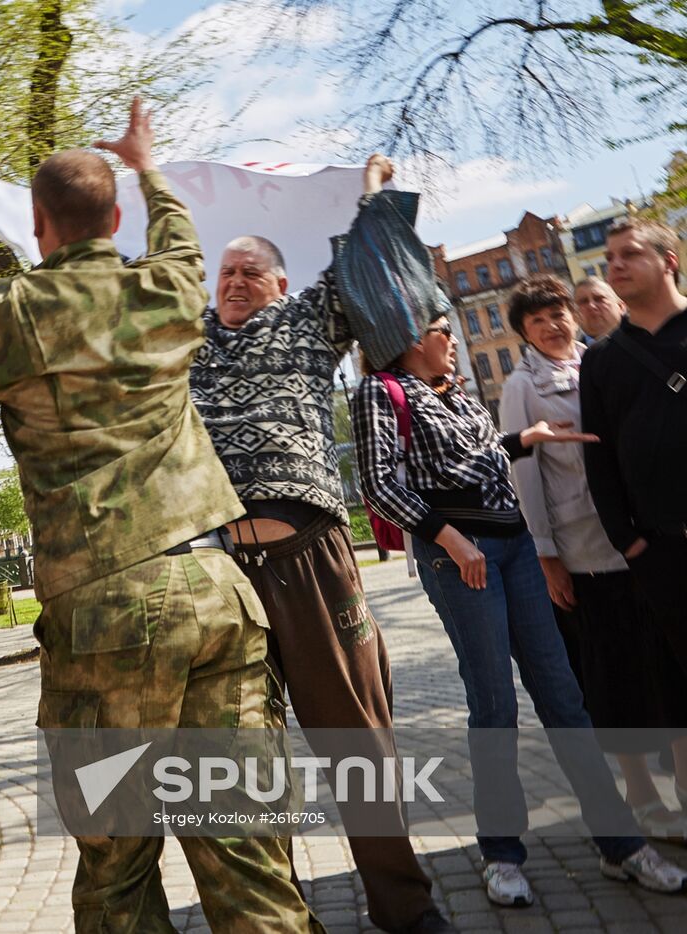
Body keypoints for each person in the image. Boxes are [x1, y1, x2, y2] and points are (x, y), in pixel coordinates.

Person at [0, 99, 317, 933]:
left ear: (38, 222)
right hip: (216, 587)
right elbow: (178, 234)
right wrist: (147, 162)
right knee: (247, 848)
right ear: (114, 216)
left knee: (118, 865)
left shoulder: (14, 313)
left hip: (108, 608)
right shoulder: (169, 289)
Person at [189, 155, 449, 934]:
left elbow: (367, 277)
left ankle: (404, 909)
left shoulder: (305, 321)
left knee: (358, 740)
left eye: (248, 272)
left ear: (276, 283)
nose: (232, 282)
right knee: (241, 759)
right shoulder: (186, 345)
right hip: (220, 574)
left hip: (309, 558)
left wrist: (375, 204)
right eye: (224, 273)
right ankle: (279, 916)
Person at [353, 313, 687, 907]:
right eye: (439, 329)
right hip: (459, 559)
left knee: (564, 698)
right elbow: (379, 485)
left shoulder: (453, 392)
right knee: (495, 705)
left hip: (515, 549)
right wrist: (451, 539)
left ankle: (621, 845)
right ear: (406, 338)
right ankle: (502, 853)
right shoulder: (382, 390)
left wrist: (523, 441)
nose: (452, 338)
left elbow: (479, 462)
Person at [502, 274, 687, 838]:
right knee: (618, 675)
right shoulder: (521, 386)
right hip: (584, 548)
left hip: (642, 540)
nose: (554, 324)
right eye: (539, 320)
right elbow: (524, 476)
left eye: (560, 313)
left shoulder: (604, 360)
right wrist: (546, 555)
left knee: (669, 668)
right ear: (525, 334)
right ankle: (641, 798)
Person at [581, 216, 687, 814]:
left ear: (667, 260)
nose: (615, 266)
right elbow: (601, 460)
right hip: (661, 550)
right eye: (610, 258)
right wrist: (629, 542)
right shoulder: (603, 360)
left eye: (629, 255)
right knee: (673, 680)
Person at [572, 277, 626, 343]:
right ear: (575, 317)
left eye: (599, 299)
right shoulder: (577, 352)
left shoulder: (641, 338)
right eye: (583, 302)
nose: (591, 306)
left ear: (621, 307)